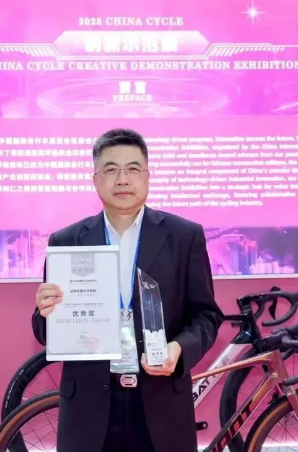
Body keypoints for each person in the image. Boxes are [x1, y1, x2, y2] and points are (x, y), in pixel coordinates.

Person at [32, 128, 224, 452]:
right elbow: (45, 331)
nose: (122, 179)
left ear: (147, 175)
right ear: (95, 180)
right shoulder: (66, 241)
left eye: (133, 169)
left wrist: (178, 349)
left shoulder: (184, 236)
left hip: (161, 402)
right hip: (90, 408)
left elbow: (206, 316)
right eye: (111, 170)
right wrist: (45, 311)